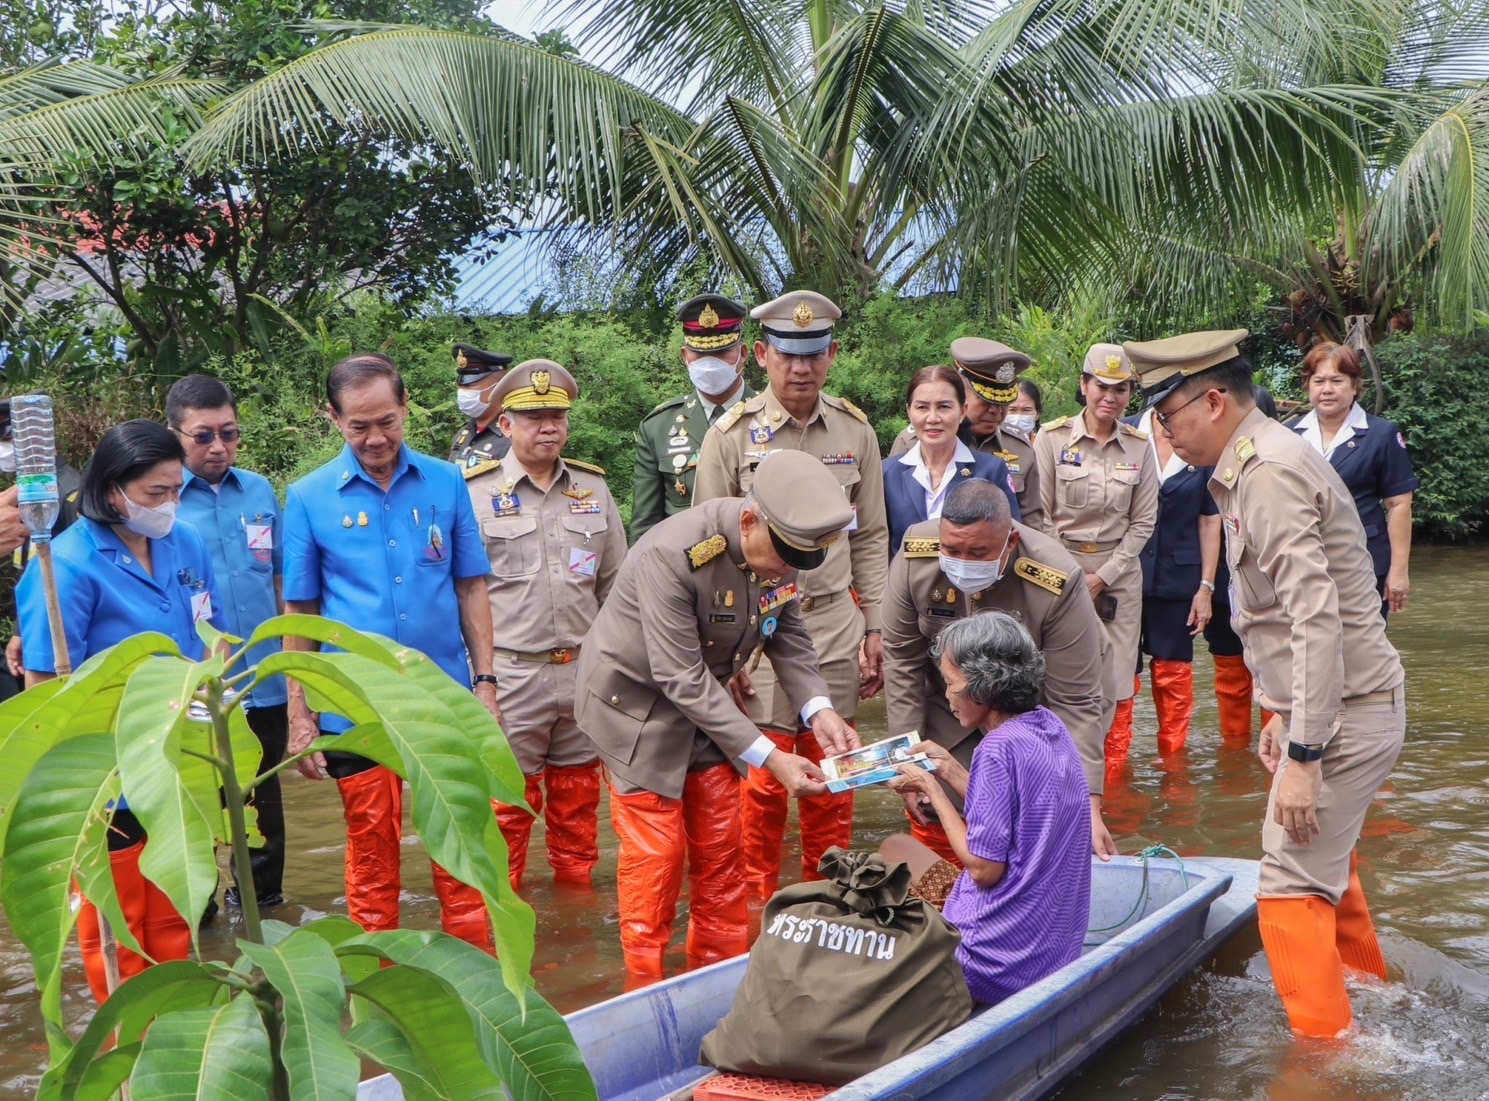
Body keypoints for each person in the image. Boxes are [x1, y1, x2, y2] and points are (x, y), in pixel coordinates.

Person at [1130, 328, 1406, 1038]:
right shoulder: (1249, 465)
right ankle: (1368, 1000)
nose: (1164, 432)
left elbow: (1315, 618)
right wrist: (1281, 715)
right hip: (1335, 707)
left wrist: (1305, 756)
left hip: (1345, 715)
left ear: (1213, 400)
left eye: (1167, 417)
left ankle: (1325, 1064)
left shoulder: (1268, 470)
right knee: (1326, 865)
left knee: (1285, 886)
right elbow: (1280, 620)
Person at [576, 449, 858, 982]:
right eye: (782, 559)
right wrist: (770, 756)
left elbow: (788, 634)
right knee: (657, 855)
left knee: (721, 845)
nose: (785, 571)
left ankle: (722, 977)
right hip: (634, 708)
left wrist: (818, 709)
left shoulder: (785, 549)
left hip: (709, 702)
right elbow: (677, 676)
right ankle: (643, 982)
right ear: (749, 520)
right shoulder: (674, 553)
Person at [282, 352, 498, 949]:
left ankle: (478, 977)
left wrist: (485, 683)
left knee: (461, 849)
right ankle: (375, 988)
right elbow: (299, 611)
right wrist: (300, 715)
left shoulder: (447, 482)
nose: (375, 438)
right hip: (357, 707)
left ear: (405, 408)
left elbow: (471, 584)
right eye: (359, 426)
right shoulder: (307, 497)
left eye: (387, 421)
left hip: (443, 699)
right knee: (371, 853)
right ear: (333, 418)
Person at [693, 290, 888, 902]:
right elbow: (706, 550)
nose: (800, 368)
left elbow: (873, 534)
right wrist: (717, 657)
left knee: (836, 777)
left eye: (813, 354)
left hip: (834, 628)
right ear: (761, 354)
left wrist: (876, 627)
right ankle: (759, 916)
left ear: (831, 355)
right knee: (763, 788)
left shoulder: (855, 432)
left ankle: (826, 905)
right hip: (755, 637)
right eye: (786, 354)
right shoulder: (730, 436)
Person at [17, 419, 215, 1002]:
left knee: (178, 914)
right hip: (108, 774)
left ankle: (176, 1033)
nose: (169, 505)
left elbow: (207, 630)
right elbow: (42, 685)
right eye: (156, 493)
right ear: (112, 491)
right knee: (118, 926)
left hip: (180, 758)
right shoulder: (66, 565)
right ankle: (126, 1056)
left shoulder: (187, 542)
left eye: (176, 489)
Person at [882, 478, 1116, 862]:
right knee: (941, 815)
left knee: (1038, 818)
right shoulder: (915, 557)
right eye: (951, 549)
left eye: (977, 552)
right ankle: (945, 907)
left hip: (1035, 707)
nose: (962, 562)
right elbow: (902, 664)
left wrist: (1084, 801)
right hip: (950, 701)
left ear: (1009, 541)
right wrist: (907, 765)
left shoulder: (1055, 576)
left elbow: (1074, 700)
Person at [464, 359, 626, 891]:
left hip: (582, 671)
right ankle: (501, 919)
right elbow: (462, 592)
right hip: (510, 675)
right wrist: (477, 676)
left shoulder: (593, 488)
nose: (548, 426)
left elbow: (616, 587)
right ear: (505, 424)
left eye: (557, 414)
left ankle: (575, 917)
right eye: (533, 416)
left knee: (579, 807)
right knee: (505, 808)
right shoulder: (473, 493)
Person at [882, 612, 1091, 1006]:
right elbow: (1018, 809)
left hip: (994, 963)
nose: (947, 696)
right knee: (898, 847)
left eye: (951, 685)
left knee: (882, 870)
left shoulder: (996, 750)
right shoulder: (1048, 727)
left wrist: (931, 788)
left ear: (984, 685)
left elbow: (983, 869)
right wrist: (948, 768)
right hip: (1053, 950)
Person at [168, 374, 288, 910]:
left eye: (229, 433)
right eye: (202, 436)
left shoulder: (259, 491)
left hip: (262, 676)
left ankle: (262, 904)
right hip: (198, 685)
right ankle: (201, 910)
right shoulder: (161, 502)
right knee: (198, 799)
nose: (218, 446)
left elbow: (280, 578)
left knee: (267, 801)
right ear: (174, 434)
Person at [1034, 344, 1158, 780]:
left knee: (1117, 681)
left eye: (1121, 389)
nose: (1110, 396)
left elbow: (1143, 523)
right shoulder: (1050, 439)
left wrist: (1102, 577)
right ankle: (1057, 775)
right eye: (1101, 386)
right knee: (1058, 673)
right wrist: (1072, 578)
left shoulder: (1140, 446)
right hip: (1057, 571)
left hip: (1119, 577)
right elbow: (1039, 515)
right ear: (1083, 385)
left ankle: (1106, 782)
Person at [1292, 342, 1418, 616]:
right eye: (1318, 381)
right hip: (1302, 565)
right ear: (1307, 385)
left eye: (1337, 380)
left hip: (1365, 561)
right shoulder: (1288, 435)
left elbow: (1399, 504)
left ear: (1355, 384)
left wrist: (1398, 572)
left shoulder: (1381, 435)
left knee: (1366, 651)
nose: (1327, 389)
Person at [1125, 402, 1221, 755]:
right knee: (1122, 675)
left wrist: (1205, 588)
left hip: (1179, 577)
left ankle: (1174, 764)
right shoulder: (1125, 433)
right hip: (1123, 577)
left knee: (1174, 674)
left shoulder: (1201, 440)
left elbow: (1210, 520)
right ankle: (1115, 768)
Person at [630, 293, 755, 543]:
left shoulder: (771, 418)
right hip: (684, 571)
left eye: (722, 353)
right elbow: (645, 529)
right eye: (700, 355)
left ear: (743, 353)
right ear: (685, 357)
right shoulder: (659, 427)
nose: (710, 364)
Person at [889, 338, 1042, 528]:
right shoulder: (912, 442)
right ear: (961, 392)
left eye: (1003, 402)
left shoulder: (1019, 446)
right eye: (986, 400)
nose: (996, 410)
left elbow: (1030, 523)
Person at [883, 365, 1018, 556]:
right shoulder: (888, 473)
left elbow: (1010, 541)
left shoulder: (991, 470)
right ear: (909, 411)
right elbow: (875, 543)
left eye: (944, 407)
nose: (933, 418)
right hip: (905, 585)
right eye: (922, 407)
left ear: (963, 411)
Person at [2, 396, 83, 701]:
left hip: (60, 629)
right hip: (35, 619)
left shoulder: (69, 491)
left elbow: (76, 572)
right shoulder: (24, 491)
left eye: (9, 438)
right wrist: (21, 630)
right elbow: (28, 571)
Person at [449, 342, 514, 470]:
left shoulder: (513, 437)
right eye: (461, 386)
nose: (462, 391)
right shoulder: (463, 434)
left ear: (498, 388)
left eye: (469, 386)